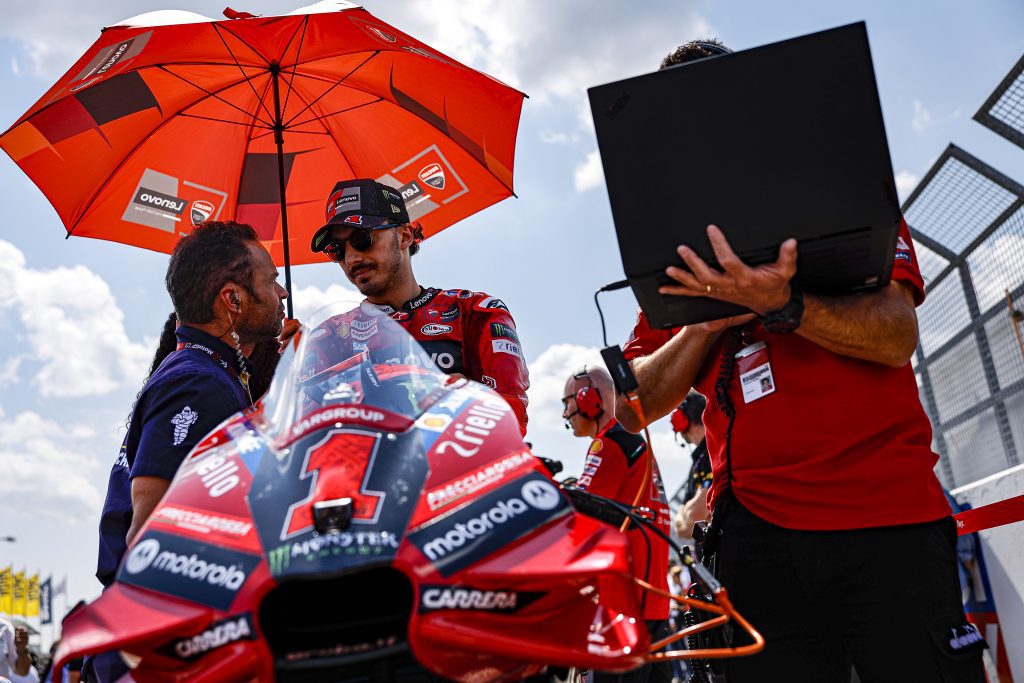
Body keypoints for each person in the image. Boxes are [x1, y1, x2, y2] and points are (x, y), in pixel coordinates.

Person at [613, 38, 985, 683]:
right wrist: (711, 323)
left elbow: (896, 337)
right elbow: (634, 403)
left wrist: (785, 302)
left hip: (888, 520)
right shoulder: (678, 256)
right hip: (757, 539)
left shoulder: (845, 198)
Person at [89, 222, 288, 681]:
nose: (281, 292)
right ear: (233, 300)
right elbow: (149, 533)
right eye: (270, 280)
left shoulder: (213, 373)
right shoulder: (198, 383)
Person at [309, 179, 530, 433]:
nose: (351, 258)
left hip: (461, 467)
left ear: (404, 236)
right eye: (336, 249)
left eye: (362, 238)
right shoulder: (329, 336)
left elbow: (511, 419)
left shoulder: (474, 311)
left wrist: (468, 399)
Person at [562, 365, 672, 683]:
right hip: (655, 608)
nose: (566, 412)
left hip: (624, 610)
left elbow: (578, 522)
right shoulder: (639, 446)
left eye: (567, 402)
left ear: (588, 400)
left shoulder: (607, 445)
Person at [670, 393, 711, 539]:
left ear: (681, 419)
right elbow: (680, 528)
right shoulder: (696, 463)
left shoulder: (714, 453)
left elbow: (696, 514)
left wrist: (689, 513)